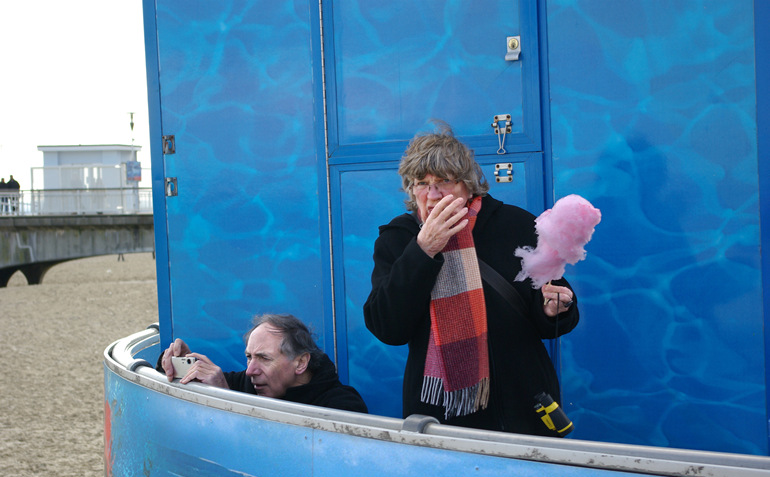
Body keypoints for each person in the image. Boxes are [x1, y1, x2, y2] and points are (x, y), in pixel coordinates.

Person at [363, 122, 579, 436]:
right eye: (422, 183)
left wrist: (555, 308)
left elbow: (554, 307)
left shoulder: (516, 224)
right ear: (410, 189)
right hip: (441, 416)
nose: (433, 195)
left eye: (444, 181)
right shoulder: (399, 239)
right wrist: (424, 250)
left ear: (468, 184)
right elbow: (387, 327)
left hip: (520, 408)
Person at [158, 313, 368, 413]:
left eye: (264, 358)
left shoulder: (343, 407)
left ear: (301, 363)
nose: (250, 370)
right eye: (249, 357)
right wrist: (177, 363)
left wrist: (227, 400)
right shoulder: (250, 383)